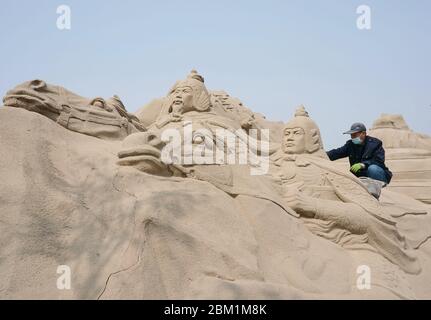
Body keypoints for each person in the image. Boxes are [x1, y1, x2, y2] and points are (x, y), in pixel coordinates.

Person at [327, 122, 392, 184]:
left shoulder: (375, 144)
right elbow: (337, 152)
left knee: (373, 168)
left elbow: (379, 161)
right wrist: (322, 154)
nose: (352, 138)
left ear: (363, 133)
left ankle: (379, 189)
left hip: (378, 175)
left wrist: (363, 165)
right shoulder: (350, 144)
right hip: (360, 176)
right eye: (351, 135)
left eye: (354, 135)